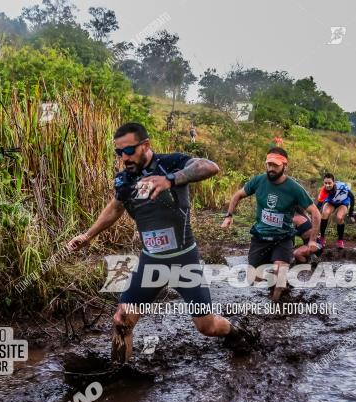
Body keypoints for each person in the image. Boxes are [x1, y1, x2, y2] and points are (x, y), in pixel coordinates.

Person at [66, 122, 256, 363]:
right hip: (151, 262)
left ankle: (235, 332)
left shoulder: (171, 163)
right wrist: (88, 235)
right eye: (119, 152)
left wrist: (170, 180)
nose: (124, 157)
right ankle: (117, 374)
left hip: (184, 261)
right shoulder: (124, 180)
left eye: (129, 150)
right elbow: (116, 207)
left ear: (145, 145)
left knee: (206, 326)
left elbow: (210, 167)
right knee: (121, 320)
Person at [222, 147, 321, 301]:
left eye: (275, 165)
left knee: (279, 276)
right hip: (260, 236)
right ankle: (280, 280)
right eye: (269, 164)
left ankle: (275, 306)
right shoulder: (258, 181)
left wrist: (313, 240)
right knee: (253, 278)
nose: (271, 168)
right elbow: (238, 194)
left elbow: (316, 213)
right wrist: (229, 215)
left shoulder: (294, 188)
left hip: (283, 238)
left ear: (285, 166)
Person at [316, 173, 355, 249]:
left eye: (329, 183)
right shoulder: (323, 191)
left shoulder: (342, 187)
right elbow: (319, 205)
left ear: (333, 182)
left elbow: (352, 197)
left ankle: (340, 240)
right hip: (331, 202)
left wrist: (351, 213)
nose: (327, 185)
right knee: (325, 213)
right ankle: (322, 237)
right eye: (325, 183)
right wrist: (315, 215)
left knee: (339, 217)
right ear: (323, 183)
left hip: (343, 203)